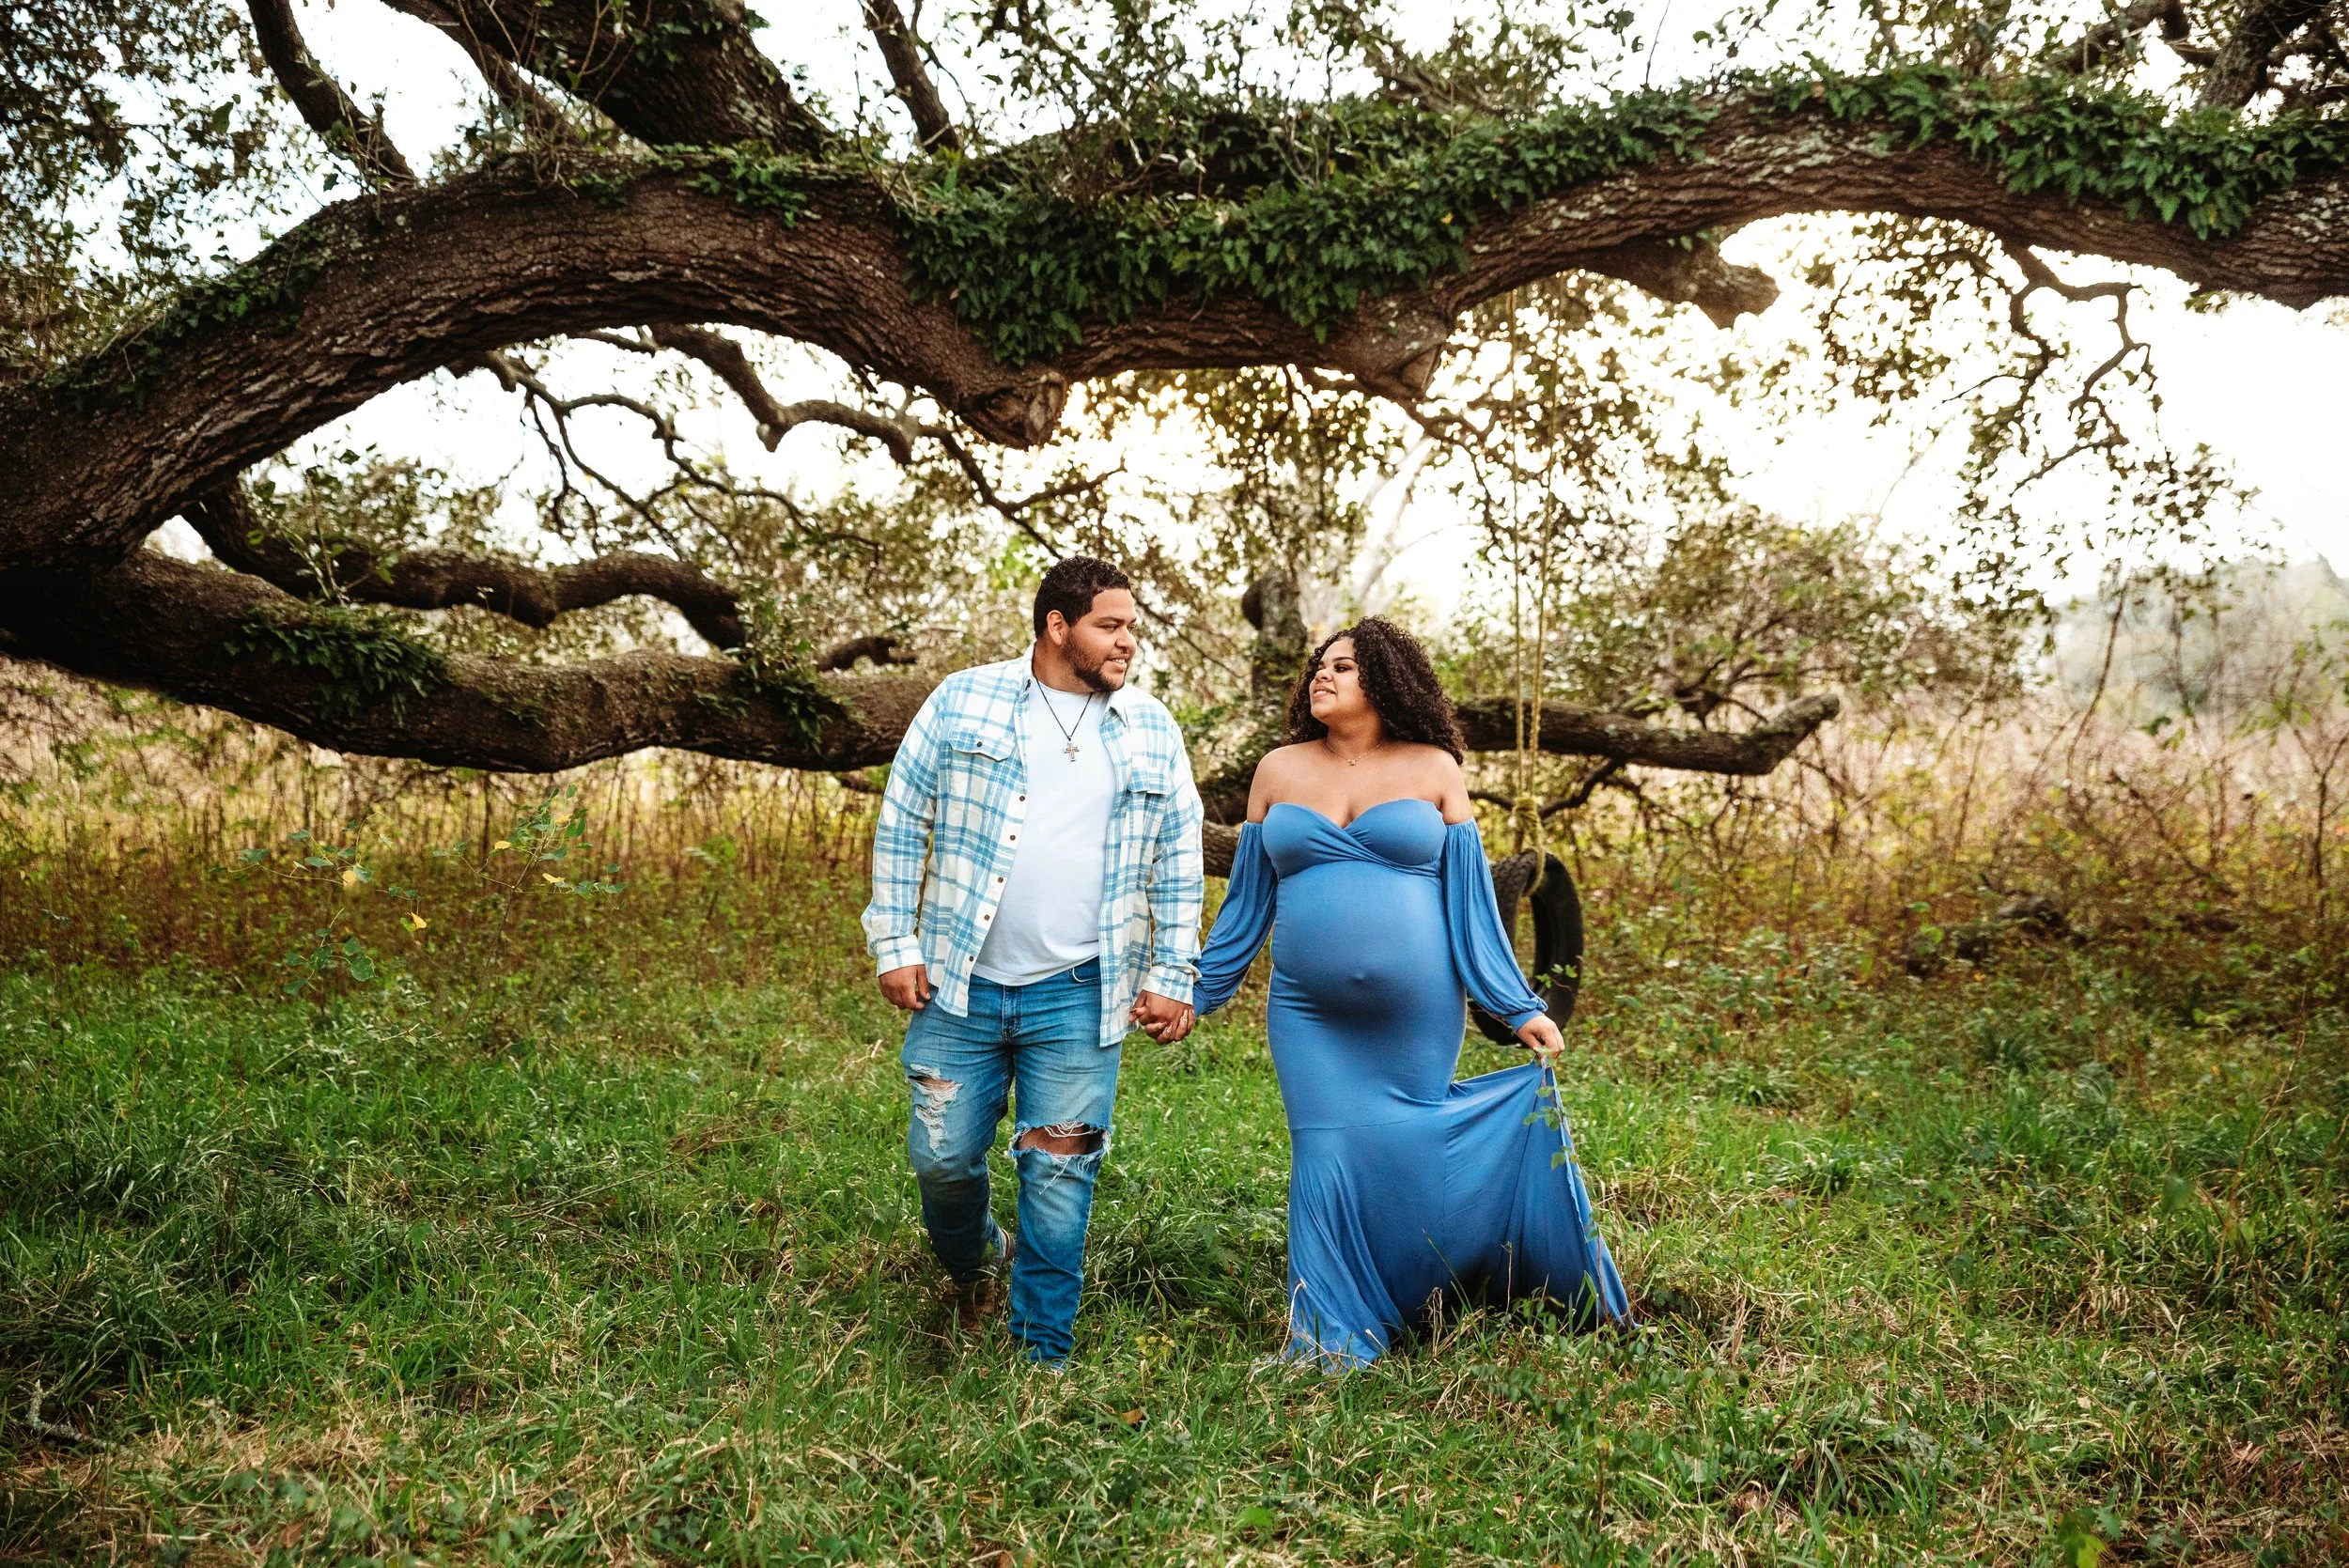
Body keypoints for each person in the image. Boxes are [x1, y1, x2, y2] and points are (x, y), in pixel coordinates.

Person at [1193, 616, 1630, 1370]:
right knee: (1324, 1156)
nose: (1321, 676)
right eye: (1318, 667)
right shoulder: (1278, 769)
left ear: (1387, 682)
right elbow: (1246, 907)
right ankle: (1328, 1334)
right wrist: (1194, 993)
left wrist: (1515, 1002)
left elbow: (1471, 905)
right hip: (1309, 1015)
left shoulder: (1434, 769)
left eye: (1344, 667)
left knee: (1404, 1148)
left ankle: (1428, 1283)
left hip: (1418, 1010)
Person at [863, 556, 1204, 1369]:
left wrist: (1171, 971)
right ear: (1059, 626)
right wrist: (896, 941)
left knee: (1060, 1177)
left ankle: (1041, 1351)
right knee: (941, 1158)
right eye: (1110, 626)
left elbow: (1179, 856)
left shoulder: (1150, 727)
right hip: (959, 979)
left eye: (1131, 626)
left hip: (1082, 992)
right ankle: (977, 1265)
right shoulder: (964, 698)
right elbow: (904, 818)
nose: (1129, 641)